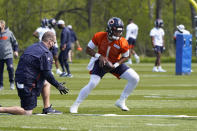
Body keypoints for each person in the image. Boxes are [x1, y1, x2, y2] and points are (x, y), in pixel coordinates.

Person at [70, 17, 140, 113]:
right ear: (110, 30)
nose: (118, 34)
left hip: (115, 63)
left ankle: (121, 101)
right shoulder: (99, 36)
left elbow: (126, 56)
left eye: (120, 32)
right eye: (116, 31)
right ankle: (76, 104)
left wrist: (115, 65)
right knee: (92, 83)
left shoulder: (123, 42)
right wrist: (99, 56)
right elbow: (88, 49)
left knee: (135, 78)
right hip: (100, 63)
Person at [0, 31, 69, 115]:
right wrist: (58, 85)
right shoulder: (46, 52)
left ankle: (47, 108)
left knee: (46, 83)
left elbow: (32, 62)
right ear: (50, 41)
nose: (54, 45)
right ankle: (1, 109)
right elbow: (47, 74)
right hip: (27, 83)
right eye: (54, 42)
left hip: (22, 78)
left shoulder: (34, 46)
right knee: (27, 112)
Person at [0, 20, 18, 90]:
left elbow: (15, 43)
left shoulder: (9, 33)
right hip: (0, 56)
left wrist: (15, 51)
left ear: (3, 25)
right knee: (0, 71)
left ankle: (12, 83)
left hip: (8, 55)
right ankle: (1, 85)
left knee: (10, 68)